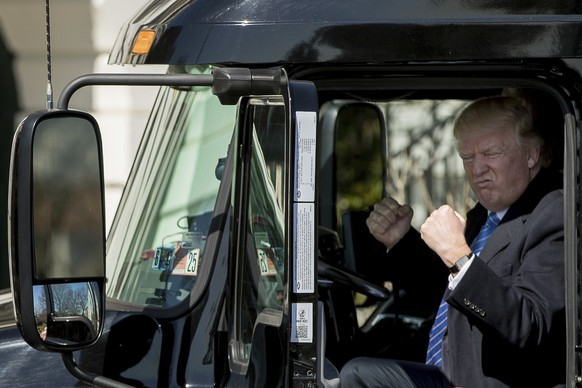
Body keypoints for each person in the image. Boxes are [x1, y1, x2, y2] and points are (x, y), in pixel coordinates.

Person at [340, 94, 565, 387]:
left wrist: (458, 255)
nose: (477, 168)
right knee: (353, 368)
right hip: (449, 368)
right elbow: (449, 295)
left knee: (357, 375)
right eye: (467, 157)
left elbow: (530, 324)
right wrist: (400, 240)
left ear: (531, 154)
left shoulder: (554, 212)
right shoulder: (486, 215)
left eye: (491, 153)